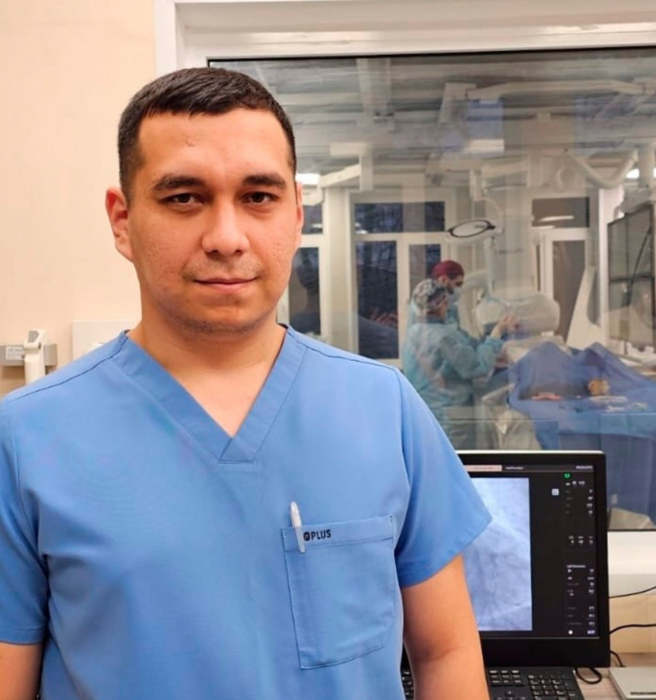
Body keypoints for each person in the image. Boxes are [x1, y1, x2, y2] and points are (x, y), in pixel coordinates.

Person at [0, 68, 491, 700]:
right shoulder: (27, 437)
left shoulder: (383, 409)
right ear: (122, 221)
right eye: (184, 198)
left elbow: (446, 652)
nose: (227, 239)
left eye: (258, 196)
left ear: (296, 213)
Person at [402, 279, 516, 445]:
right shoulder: (443, 337)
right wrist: (497, 333)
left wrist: (487, 351)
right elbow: (476, 366)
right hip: (450, 418)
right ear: (442, 305)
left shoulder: (413, 333)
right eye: (446, 303)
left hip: (424, 414)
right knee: (454, 458)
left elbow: (455, 356)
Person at [408, 259, 465, 329]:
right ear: (444, 280)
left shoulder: (452, 306)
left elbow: (456, 331)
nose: (459, 288)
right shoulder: (421, 303)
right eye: (458, 284)